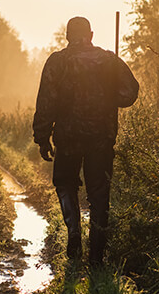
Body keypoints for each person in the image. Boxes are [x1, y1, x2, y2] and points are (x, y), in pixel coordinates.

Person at [33, 16, 139, 266]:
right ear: (91, 35)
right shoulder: (109, 60)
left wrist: (42, 136)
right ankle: (96, 256)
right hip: (101, 137)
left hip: (68, 138)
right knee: (100, 193)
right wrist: (109, 93)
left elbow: (46, 101)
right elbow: (130, 93)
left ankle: (74, 232)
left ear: (67, 36)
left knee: (65, 183)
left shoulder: (57, 62)